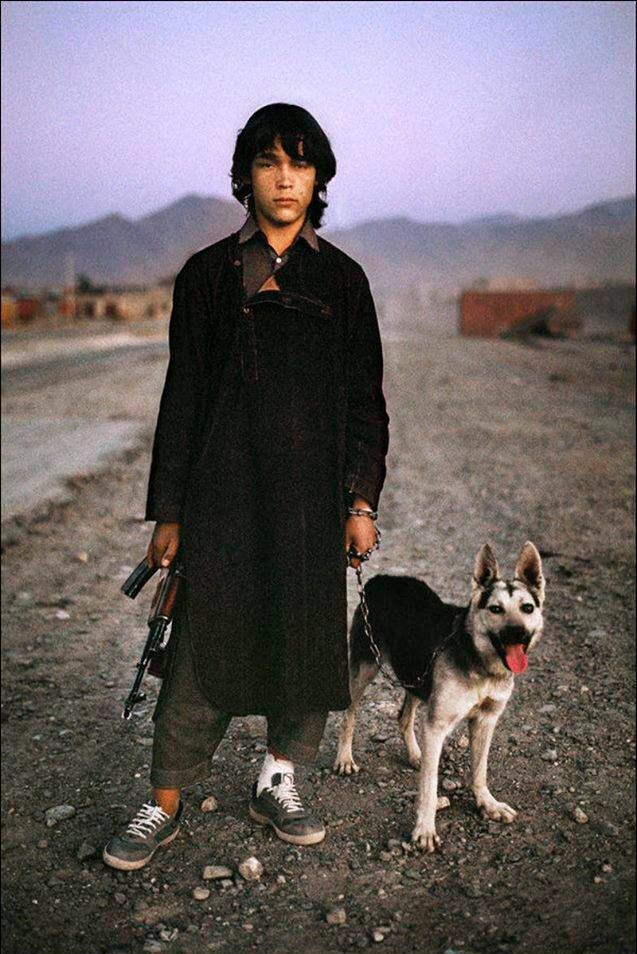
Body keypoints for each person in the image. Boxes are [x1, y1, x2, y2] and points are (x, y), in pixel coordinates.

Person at [103, 103, 390, 870]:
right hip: (221, 495)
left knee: (302, 635)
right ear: (246, 176)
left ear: (319, 175)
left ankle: (278, 779)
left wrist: (359, 501)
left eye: (299, 162)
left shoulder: (343, 281)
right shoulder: (206, 275)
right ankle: (161, 800)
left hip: (309, 501)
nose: (285, 177)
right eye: (268, 161)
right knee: (200, 643)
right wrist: (168, 510)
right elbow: (183, 396)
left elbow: (366, 403)